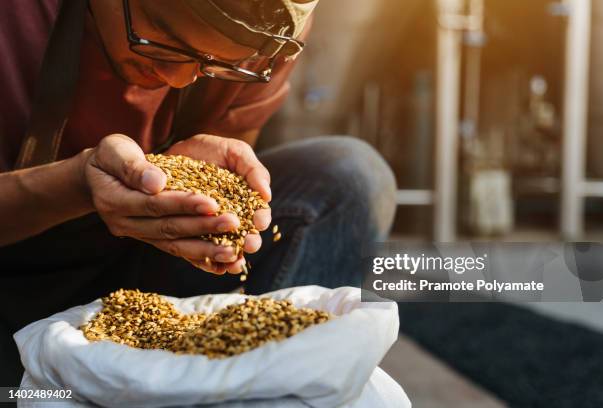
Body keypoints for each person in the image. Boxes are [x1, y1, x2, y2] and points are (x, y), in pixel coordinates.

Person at [0, 0, 397, 385]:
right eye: (162, 36)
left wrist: (203, 192)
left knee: (348, 176)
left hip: (142, 263)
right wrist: (76, 185)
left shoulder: (267, 25)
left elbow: (223, 166)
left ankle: (246, 385)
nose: (177, 79)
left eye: (219, 63)